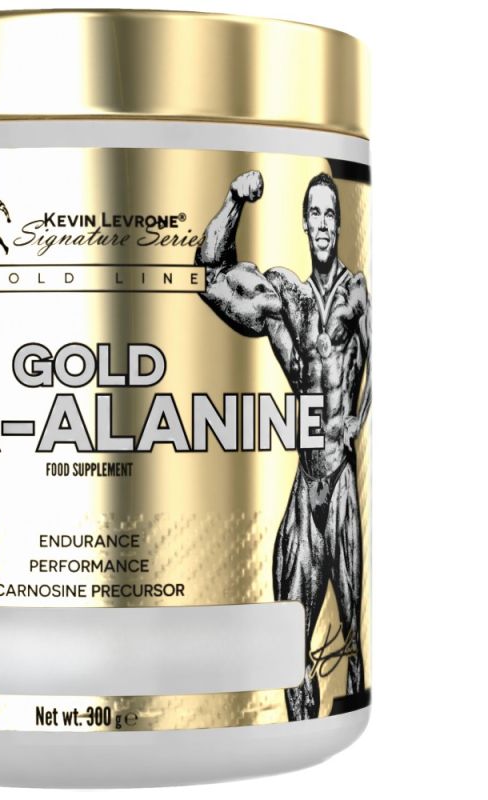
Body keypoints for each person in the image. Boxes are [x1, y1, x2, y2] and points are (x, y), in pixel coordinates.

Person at [195, 170, 371, 720]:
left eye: (330, 214)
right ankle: (298, 724)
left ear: (339, 224)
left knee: (353, 643)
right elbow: (209, 277)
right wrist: (234, 201)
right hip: (305, 479)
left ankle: (341, 706)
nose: (322, 224)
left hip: (341, 478)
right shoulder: (286, 299)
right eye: (314, 213)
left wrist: (356, 421)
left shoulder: (356, 293)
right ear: (303, 222)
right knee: (288, 650)